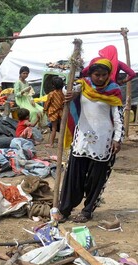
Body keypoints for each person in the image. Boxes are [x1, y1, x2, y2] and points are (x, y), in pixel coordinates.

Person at [58, 59, 123, 223]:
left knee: (96, 179)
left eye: (104, 75)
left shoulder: (114, 90)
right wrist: (72, 93)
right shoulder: (83, 85)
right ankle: (64, 210)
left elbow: (118, 118)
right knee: (73, 176)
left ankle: (87, 211)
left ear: (109, 75)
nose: (100, 78)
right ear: (90, 74)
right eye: (97, 75)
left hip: (103, 141)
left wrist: (117, 139)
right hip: (82, 140)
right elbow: (67, 89)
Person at [43, 76, 65, 147]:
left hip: (53, 112)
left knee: (54, 128)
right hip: (61, 112)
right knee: (62, 128)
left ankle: (51, 144)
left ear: (53, 85)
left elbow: (47, 103)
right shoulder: (63, 93)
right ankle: (62, 143)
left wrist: (45, 110)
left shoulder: (51, 94)